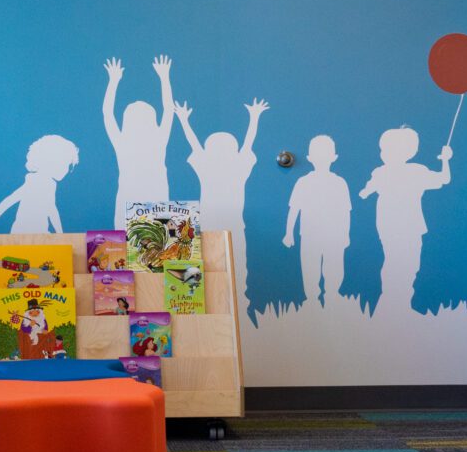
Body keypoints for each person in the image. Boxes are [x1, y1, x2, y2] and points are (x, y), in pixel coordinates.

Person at [357, 126, 450, 315]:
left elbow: (443, 179)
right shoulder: (383, 172)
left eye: (388, 150)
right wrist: (365, 191)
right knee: (398, 262)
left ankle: (399, 305)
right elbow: (367, 189)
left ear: (409, 152)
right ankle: (392, 305)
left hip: (407, 225)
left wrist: (446, 160)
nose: (383, 154)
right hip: (394, 225)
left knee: (408, 264)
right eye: (383, 150)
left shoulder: (415, 171)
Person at [100, 55, 177, 223]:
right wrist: (164, 77)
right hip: (156, 201)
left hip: (129, 202)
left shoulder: (122, 142)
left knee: (123, 249)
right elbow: (169, 110)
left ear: (127, 121)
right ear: (153, 121)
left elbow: (107, 113)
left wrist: (113, 81)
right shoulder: (159, 139)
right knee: (162, 248)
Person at [177, 97, 267, 236]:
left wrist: (184, 120)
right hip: (234, 223)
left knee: (209, 256)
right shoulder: (240, 165)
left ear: (208, 150)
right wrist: (254, 116)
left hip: (208, 222)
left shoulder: (205, 165)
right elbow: (248, 142)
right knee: (237, 256)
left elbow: (194, 143)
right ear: (235, 149)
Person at [282, 134, 351, 307]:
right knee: (310, 266)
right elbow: (294, 210)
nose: (322, 159)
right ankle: (312, 298)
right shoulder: (303, 182)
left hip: (334, 235)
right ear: (309, 158)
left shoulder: (339, 183)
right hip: (309, 234)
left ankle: (333, 296)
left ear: (334, 158)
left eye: (325, 155)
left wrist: (345, 234)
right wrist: (288, 233)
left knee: (334, 266)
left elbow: (345, 212)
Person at [0, 134, 80, 235]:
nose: (67, 170)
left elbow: (51, 209)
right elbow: (11, 199)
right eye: (65, 165)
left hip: (39, 231)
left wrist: (60, 233)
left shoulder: (50, 184)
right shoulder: (35, 181)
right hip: (23, 232)